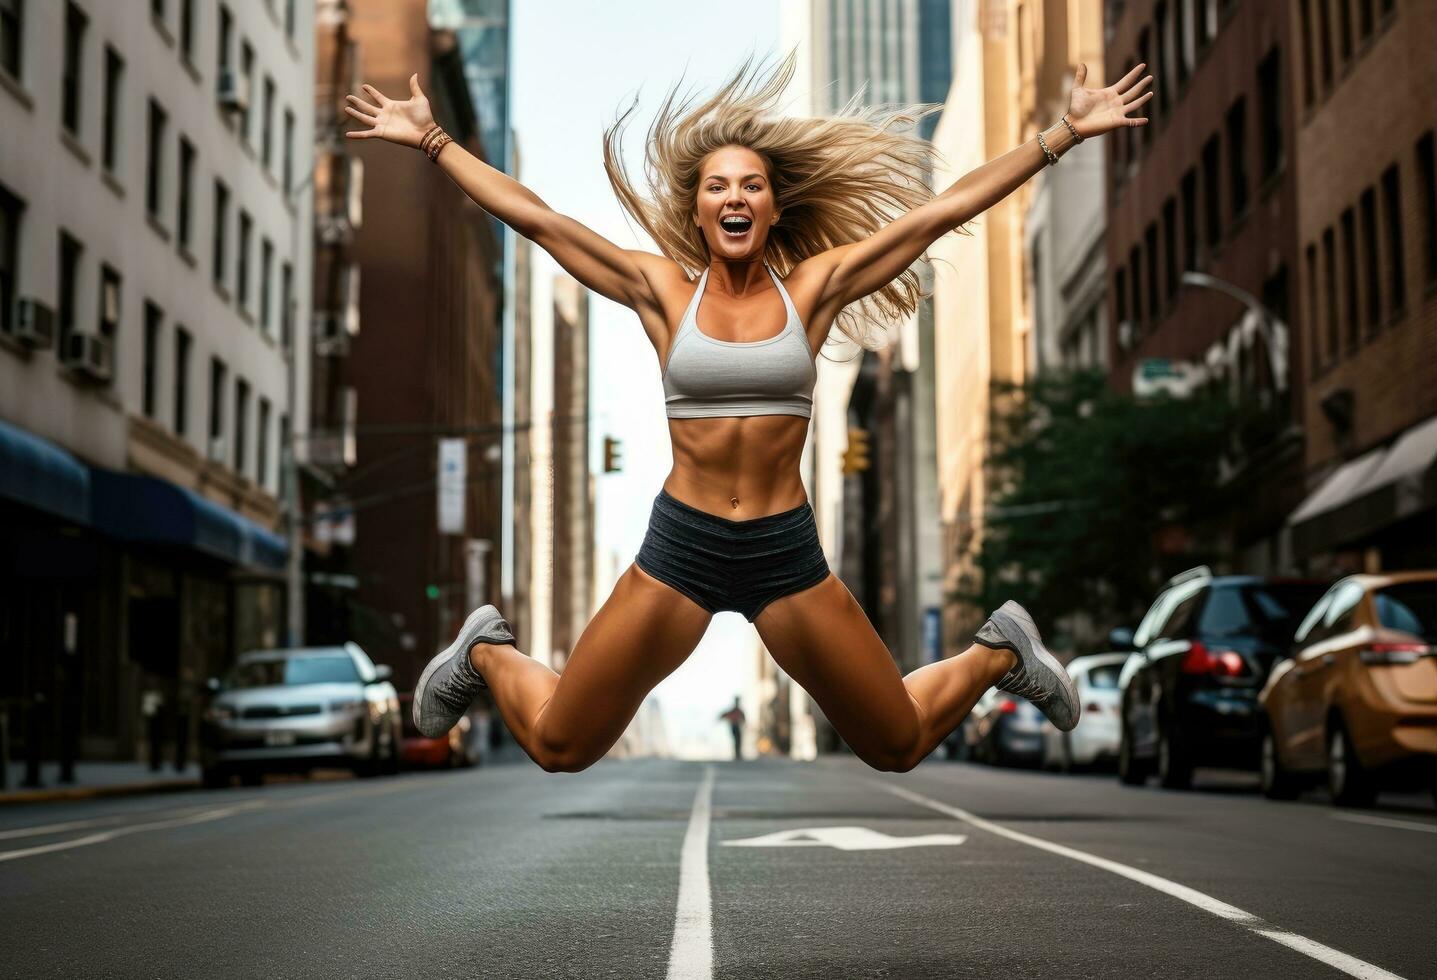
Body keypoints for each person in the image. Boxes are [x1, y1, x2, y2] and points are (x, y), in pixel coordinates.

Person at [343, 51, 1153, 773]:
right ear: (698, 211)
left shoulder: (815, 288)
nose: (735, 196)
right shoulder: (661, 292)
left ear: (771, 209)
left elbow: (938, 214)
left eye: (752, 185)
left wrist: (1062, 136)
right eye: (718, 186)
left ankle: (995, 652)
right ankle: (485, 651)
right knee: (559, 744)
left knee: (897, 742)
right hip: (683, 547)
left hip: (782, 551)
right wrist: (433, 143)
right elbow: (541, 221)